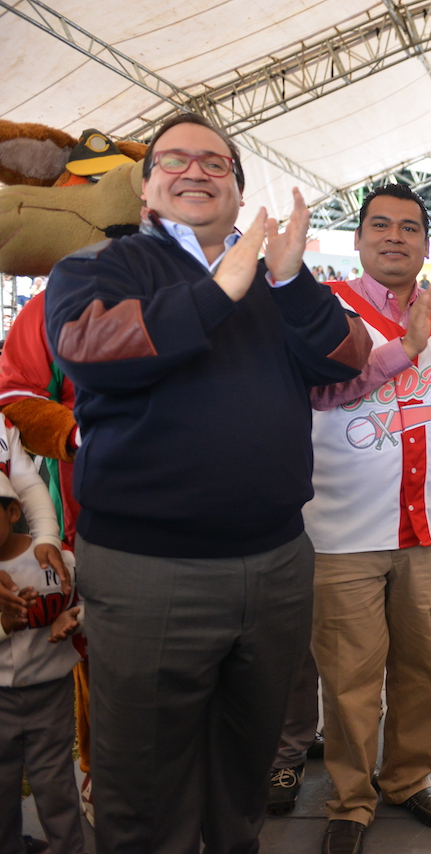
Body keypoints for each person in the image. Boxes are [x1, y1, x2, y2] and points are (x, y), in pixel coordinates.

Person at [41, 113, 371, 853]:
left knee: (244, 771)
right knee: (145, 787)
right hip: (150, 571)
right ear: (145, 188)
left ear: (238, 190)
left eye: (216, 162)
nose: (195, 170)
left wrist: (291, 281)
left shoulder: (278, 276)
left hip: (276, 564)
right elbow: (89, 348)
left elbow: (348, 359)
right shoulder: (99, 267)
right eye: (174, 160)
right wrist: (219, 291)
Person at [305, 183, 431, 854]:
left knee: (420, 666)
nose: (395, 236)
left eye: (410, 227)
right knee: (349, 677)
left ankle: (408, 779)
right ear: (359, 238)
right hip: (342, 530)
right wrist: (405, 348)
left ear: (426, 243)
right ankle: (350, 800)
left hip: (427, 528)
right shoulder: (323, 308)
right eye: (381, 225)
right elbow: (318, 392)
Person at [0, 474, 83, 854]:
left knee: (55, 783)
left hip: (50, 693)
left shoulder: (56, 557)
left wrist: (74, 618)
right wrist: (5, 625)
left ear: (13, 511)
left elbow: (95, 603)